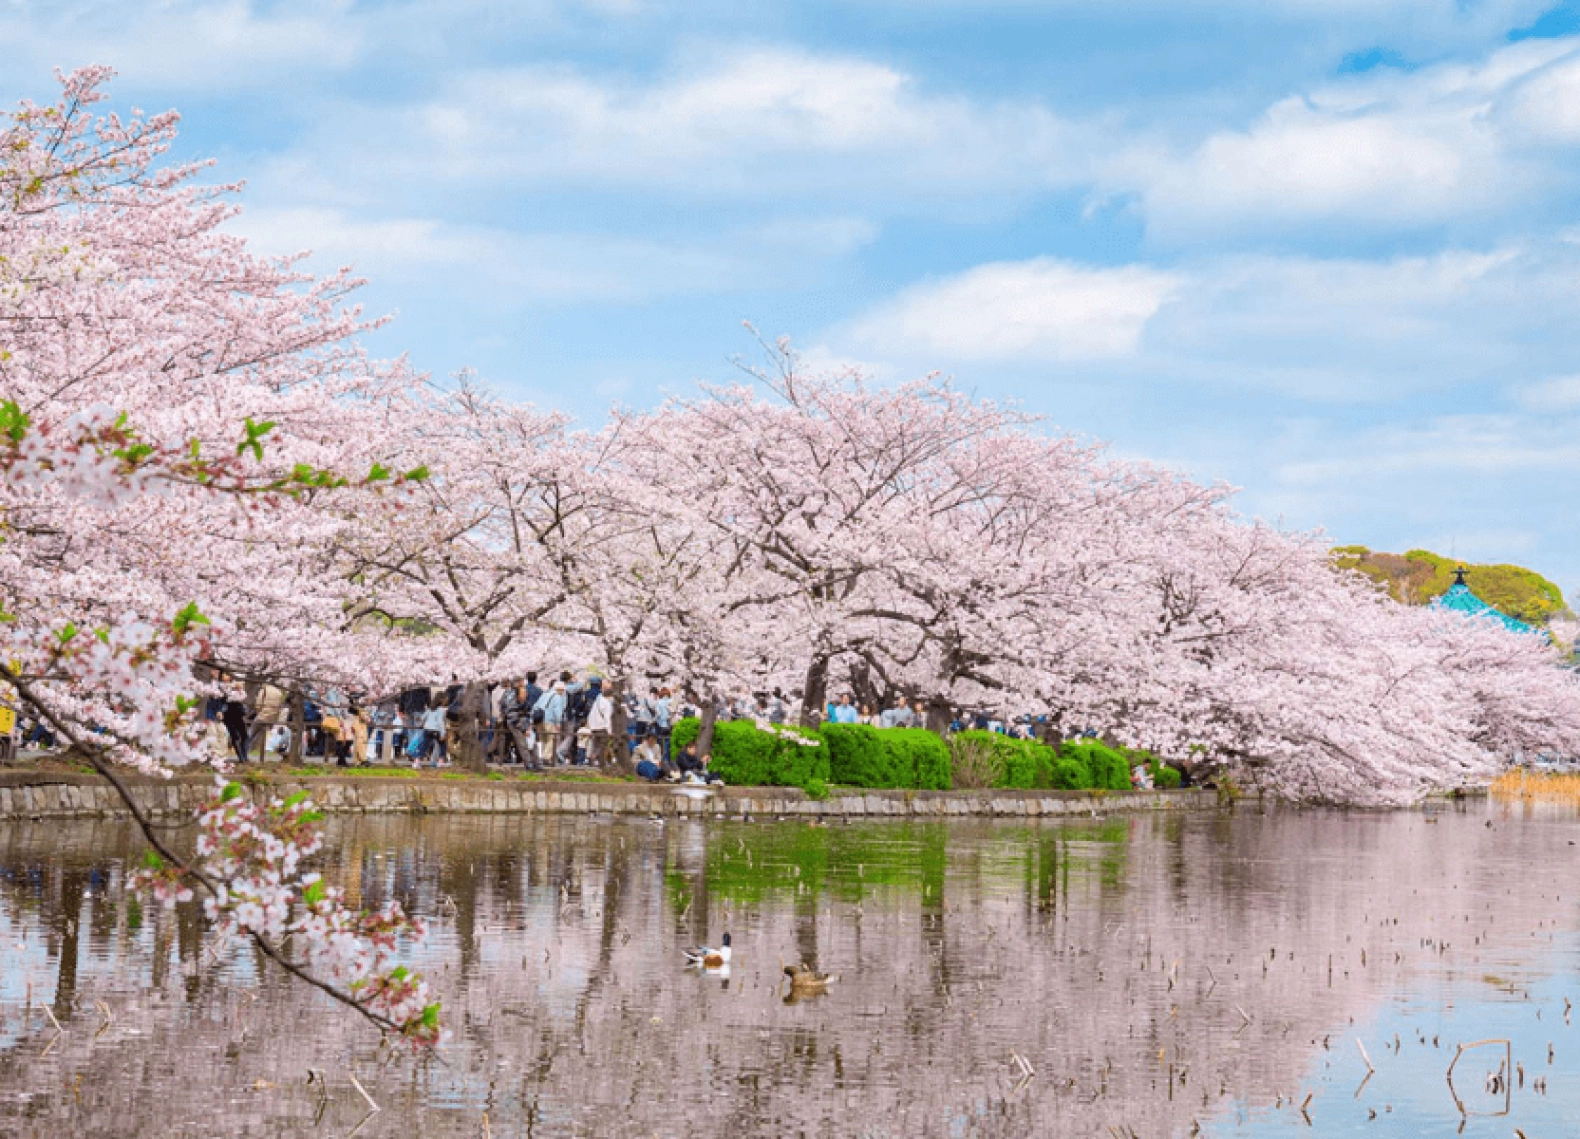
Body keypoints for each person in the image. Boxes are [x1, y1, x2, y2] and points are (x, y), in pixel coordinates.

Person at [535, 680, 568, 764]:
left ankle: (543, 757)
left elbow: (535, 706)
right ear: (560, 689)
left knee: (544, 740)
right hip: (550, 721)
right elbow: (558, 712)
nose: (563, 692)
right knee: (552, 739)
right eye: (562, 690)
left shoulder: (544, 694)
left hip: (539, 720)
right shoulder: (557, 697)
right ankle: (545, 757)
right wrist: (558, 723)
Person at [584, 678, 613, 765]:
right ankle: (598, 761)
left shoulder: (597, 701)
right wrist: (609, 731)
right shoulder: (607, 704)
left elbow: (591, 715)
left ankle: (591, 758)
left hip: (594, 727)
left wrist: (590, 726)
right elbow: (607, 718)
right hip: (602, 727)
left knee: (595, 745)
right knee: (602, 745)